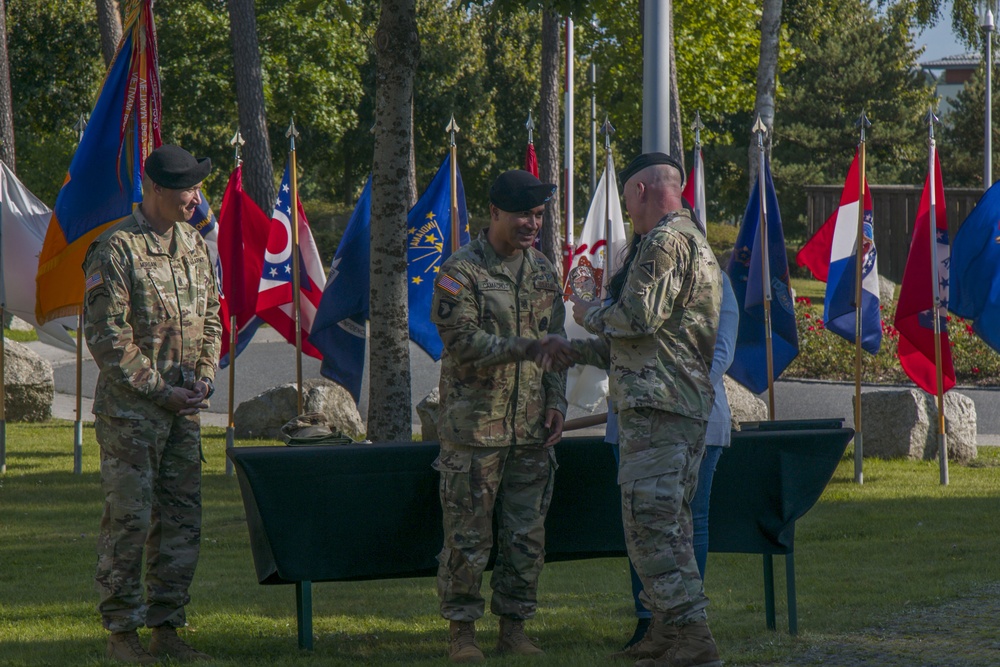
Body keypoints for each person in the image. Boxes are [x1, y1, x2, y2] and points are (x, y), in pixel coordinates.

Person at [569, 153, 723, 667]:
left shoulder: (663, 243)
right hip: (673, 405)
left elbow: (636, 316)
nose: (628, 213)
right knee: (666, 524)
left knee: (653, 527)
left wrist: (588, 312)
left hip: (660, 408)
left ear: (638, 193)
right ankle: (665, 631)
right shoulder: (692, 239)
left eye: (627, 200)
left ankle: (693, 637)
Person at [83, 144, 222, 664]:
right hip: (133, 417)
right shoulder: (115, 249)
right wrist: (163, 391)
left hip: (183, 412)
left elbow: (211, 318)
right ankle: (122, 635)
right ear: (157, 189)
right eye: (188, 188)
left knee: (182, 521)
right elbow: (108, 341)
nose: (196, 197)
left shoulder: (192, 243)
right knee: (130, 522)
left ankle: (168, 628)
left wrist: (204, 377)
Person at [430, 169, 571, 663]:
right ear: (493, 213)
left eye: (537, 215)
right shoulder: (460, 272)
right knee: (467, 540)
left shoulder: (543, 271)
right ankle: (462, 634)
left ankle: (514, 629)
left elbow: (556, 347)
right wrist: (526, 346)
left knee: (525, 539)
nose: (532, 223)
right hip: (475, 433)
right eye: (522, 215)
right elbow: (463, 343)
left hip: (530, 432)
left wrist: (556, 403)